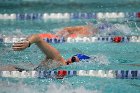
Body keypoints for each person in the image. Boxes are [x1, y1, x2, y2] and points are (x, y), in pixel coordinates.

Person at [0, 34, 91, 71]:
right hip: (17, 69)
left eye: (74, 62)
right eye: (73, 59)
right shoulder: (58, 58)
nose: (71, 62)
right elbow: (38, 38)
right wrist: (28, 43)